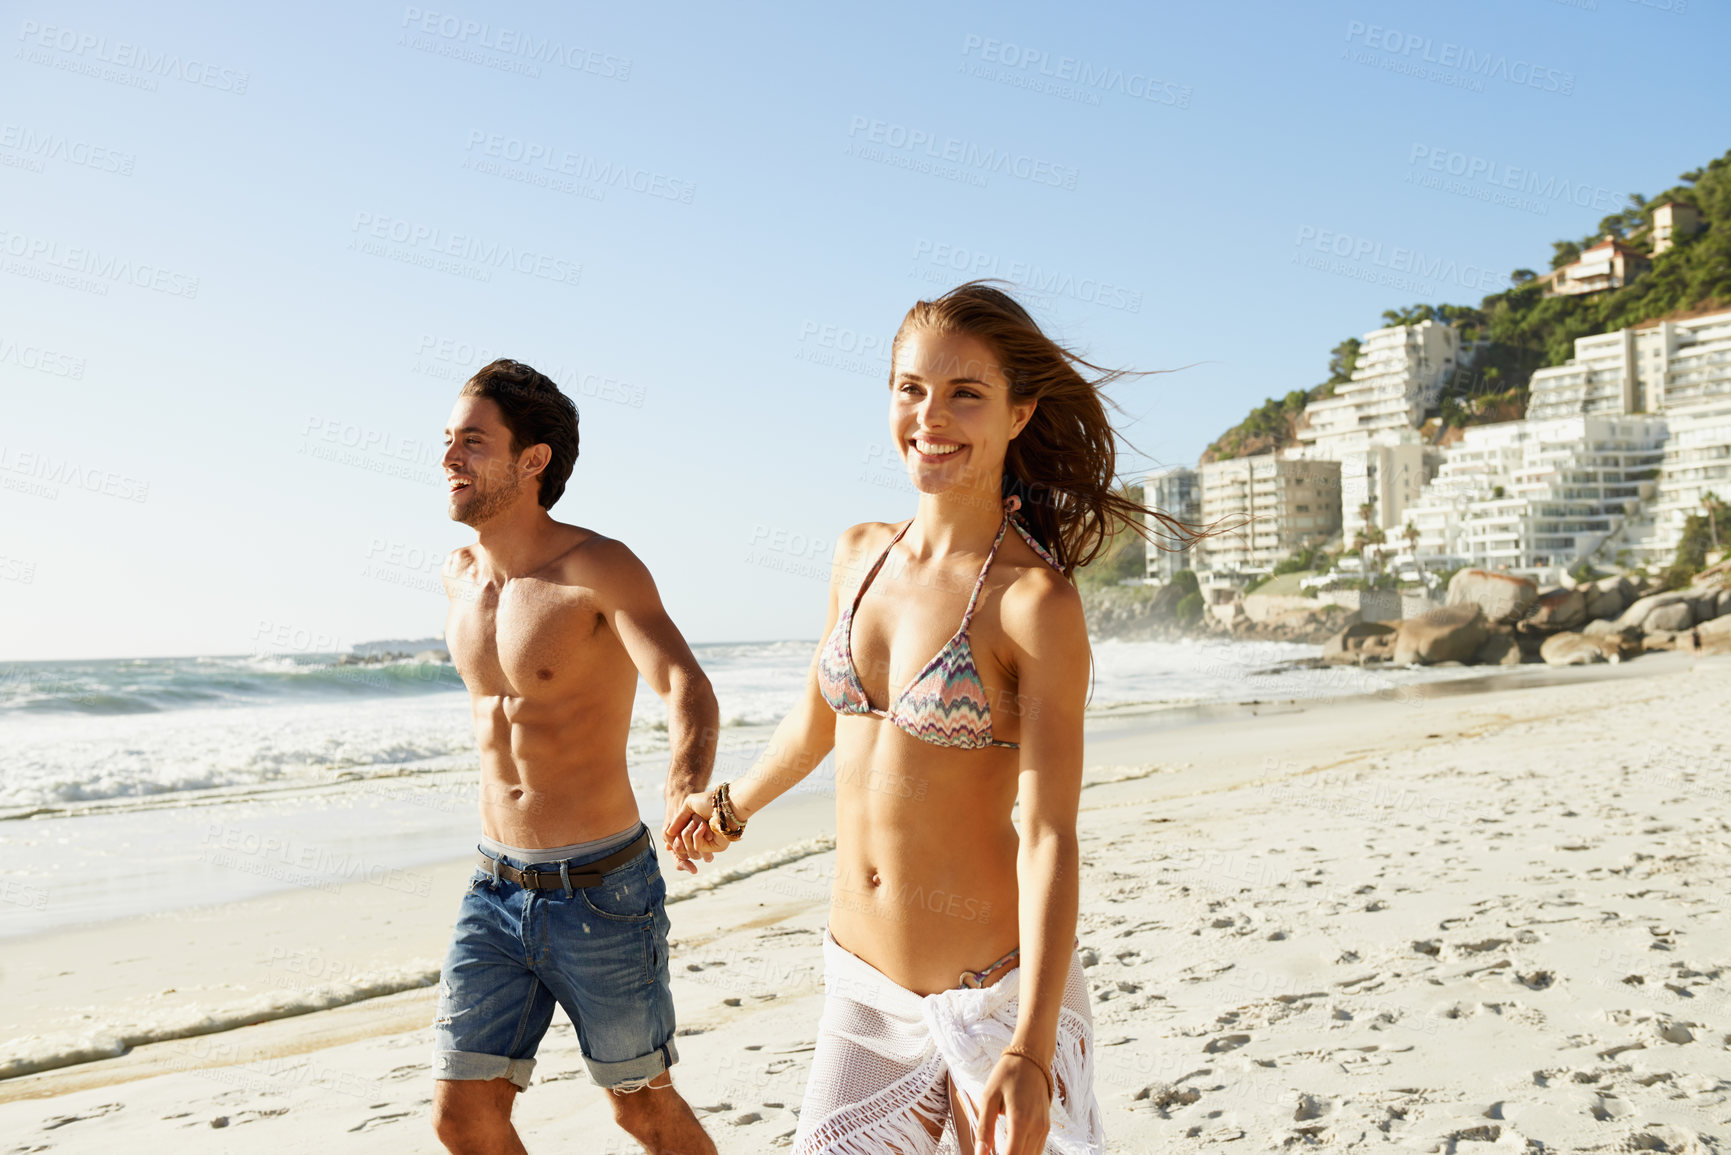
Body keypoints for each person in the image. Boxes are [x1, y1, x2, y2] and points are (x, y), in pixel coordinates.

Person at [666, 284, 1208, 1155]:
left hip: (991, 996)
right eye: (910, 387)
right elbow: (815, 724)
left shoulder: (1033, 603)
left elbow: (1048, 835)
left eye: (966, 393)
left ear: (1019, 412)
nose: (931, 415)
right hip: (862, 989)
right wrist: (728, 806)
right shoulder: (857, 555)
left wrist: (1032, 1047)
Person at [433, 358, 719, 1155]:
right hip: (493, 887)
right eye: (448, 440)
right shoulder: (457, 577)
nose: (449, 458)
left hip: (599, 891)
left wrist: (686, 787)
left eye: (472, 442)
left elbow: (685, 684)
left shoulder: (596, 568)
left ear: (533, 460)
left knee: (641, 1111)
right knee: (462, 1117)